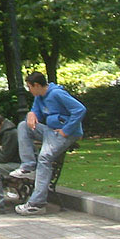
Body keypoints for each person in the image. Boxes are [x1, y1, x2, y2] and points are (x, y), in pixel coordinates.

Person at [10, 71, 87, 216]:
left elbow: (80, 109)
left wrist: (66, 130)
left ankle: (36, 204)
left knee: (44, 158)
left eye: (29, 87)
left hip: (64, 133)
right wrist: (31, 114)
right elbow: (36, 113)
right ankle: (28, 166)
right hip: (50, 131)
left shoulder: (57, 94)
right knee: (23, 126)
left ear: (37, 85)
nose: (29, 90)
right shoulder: (39, 97)